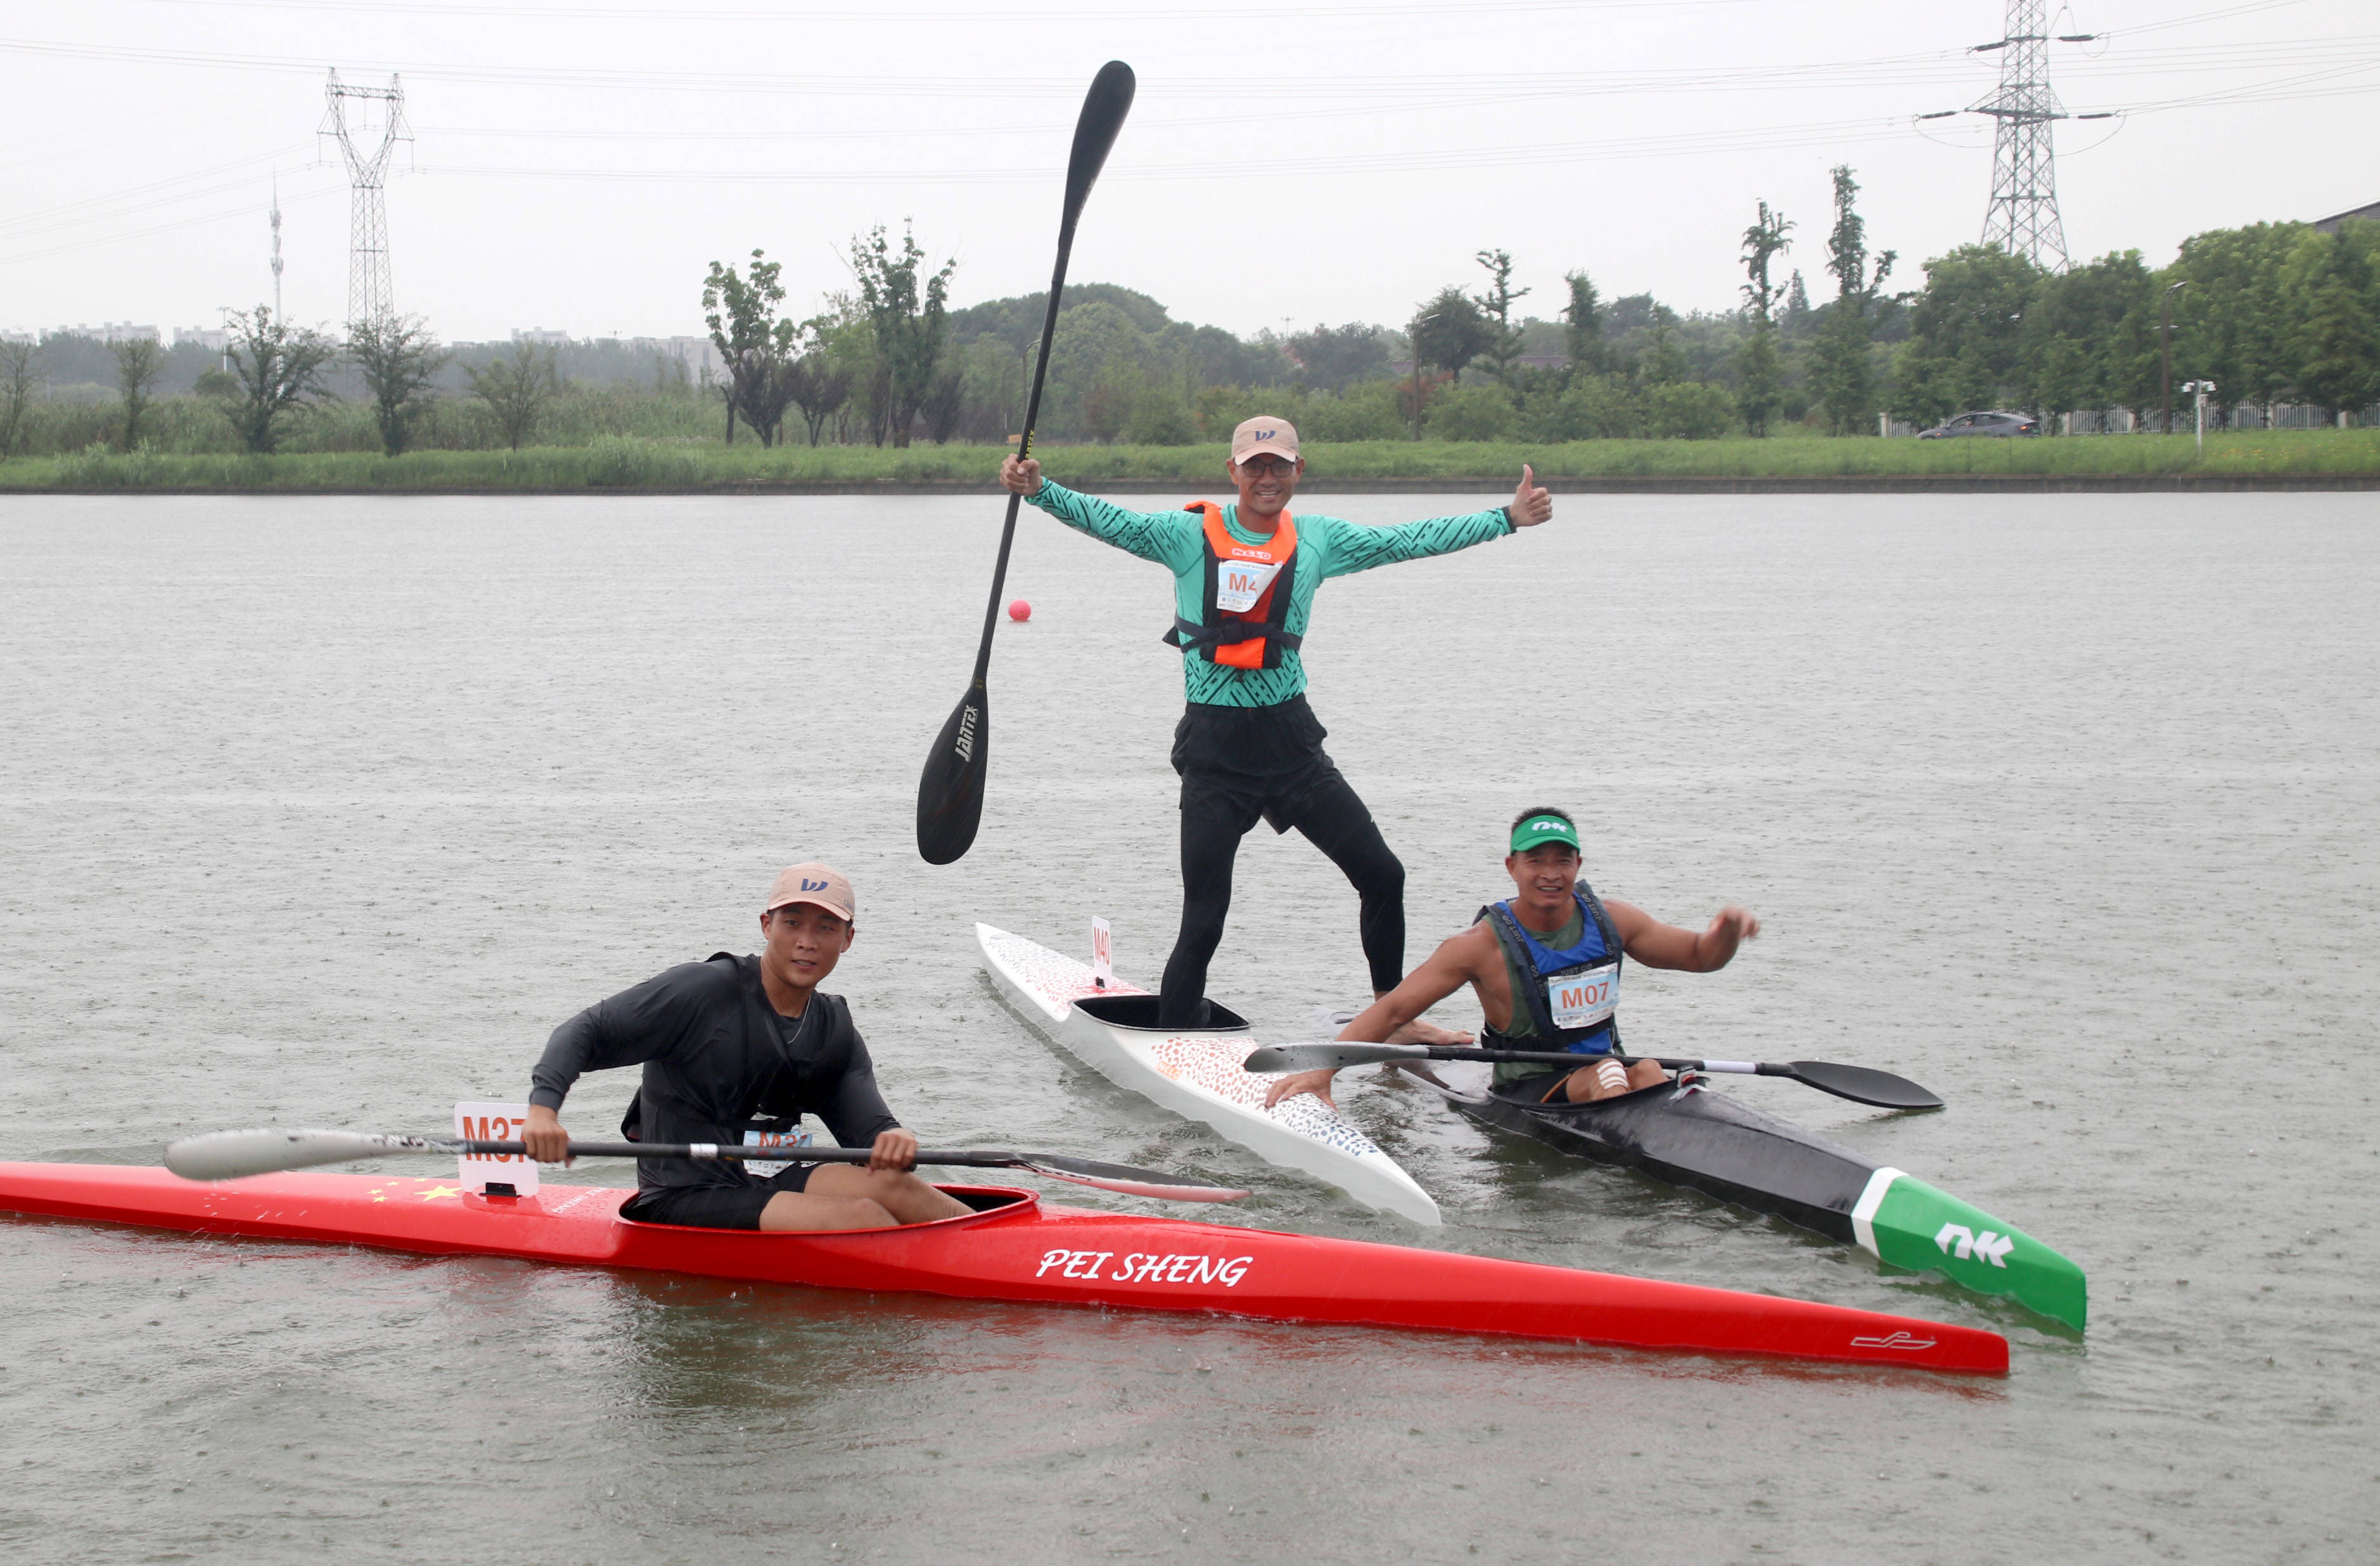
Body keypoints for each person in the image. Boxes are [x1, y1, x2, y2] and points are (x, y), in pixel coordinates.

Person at [998, 416, 1552, 1033]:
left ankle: (1390, 1012)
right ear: (1233, 471)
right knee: (1205, 915)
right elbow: (1110, 521)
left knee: (1383, 874)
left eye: (1279, 466)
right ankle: (1176, 1035)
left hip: (1291, 747)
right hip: (1214, 752)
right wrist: (1040, 488)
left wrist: (1506, 518)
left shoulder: (1318, 540)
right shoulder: (1186, 536)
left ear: (1298, 471)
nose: (1267, 478)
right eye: (1255, 466)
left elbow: (1408, 540)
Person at [520, 863, 971, 1231]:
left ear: (848, 938)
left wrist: (894, 1137)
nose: (806, 942)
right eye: (792, 923)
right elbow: (584, 1030)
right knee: (865, 1216)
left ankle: (1016, 1252)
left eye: (826, 927)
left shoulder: (833, 1029)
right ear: (766, 925)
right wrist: (543, 1111)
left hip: (772, 1171)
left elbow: (871, 1134)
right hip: (686, 1190)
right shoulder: (701, 991)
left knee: (896, 1188)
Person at [1263, 807, 1760, 1110]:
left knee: (1648, 1070)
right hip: (1528, 1089)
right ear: (1512, 867)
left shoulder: (1614, 918)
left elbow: (1699, 956)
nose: (1551, 873)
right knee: (1615, 1072)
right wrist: (1320, 1070)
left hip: (1606, 1072)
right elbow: (1393, 1011)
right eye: (1535, 860)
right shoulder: (1478, 945)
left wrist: (1728, 933)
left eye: (1562, 859)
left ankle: (1641, 1099)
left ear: (1578, 865)